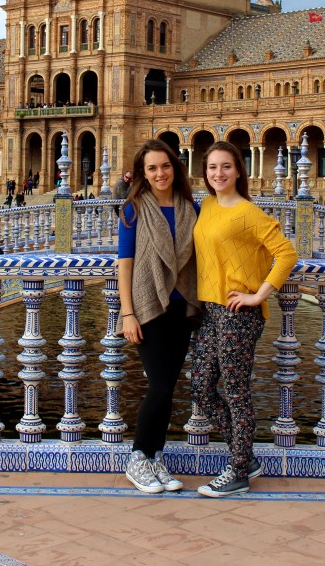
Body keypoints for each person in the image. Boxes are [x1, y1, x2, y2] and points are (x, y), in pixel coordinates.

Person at [191, 141, 298, 498]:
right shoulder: (205, 205)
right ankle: (245, 455)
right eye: (212, 167)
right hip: (210, 311)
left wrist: (258, 295)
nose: (218, 174)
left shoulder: (249, 212)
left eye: (225, 167)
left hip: (239, 313)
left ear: (238, 171)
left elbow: (286, 253)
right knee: (202, 388)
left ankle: (238, 470)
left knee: (236, 392)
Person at [118, 139, 201, 494]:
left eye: (164, 166)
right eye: (151, 168)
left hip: (183, 308)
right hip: (149, 306)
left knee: (167, 389)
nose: (159, 173)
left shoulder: (191, 208)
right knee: (161, 386)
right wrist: (128, 313)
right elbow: (125, 264)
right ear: (142, 174)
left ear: (175, 168)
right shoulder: (133, 209)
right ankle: (138, 457)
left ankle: (154, 457)